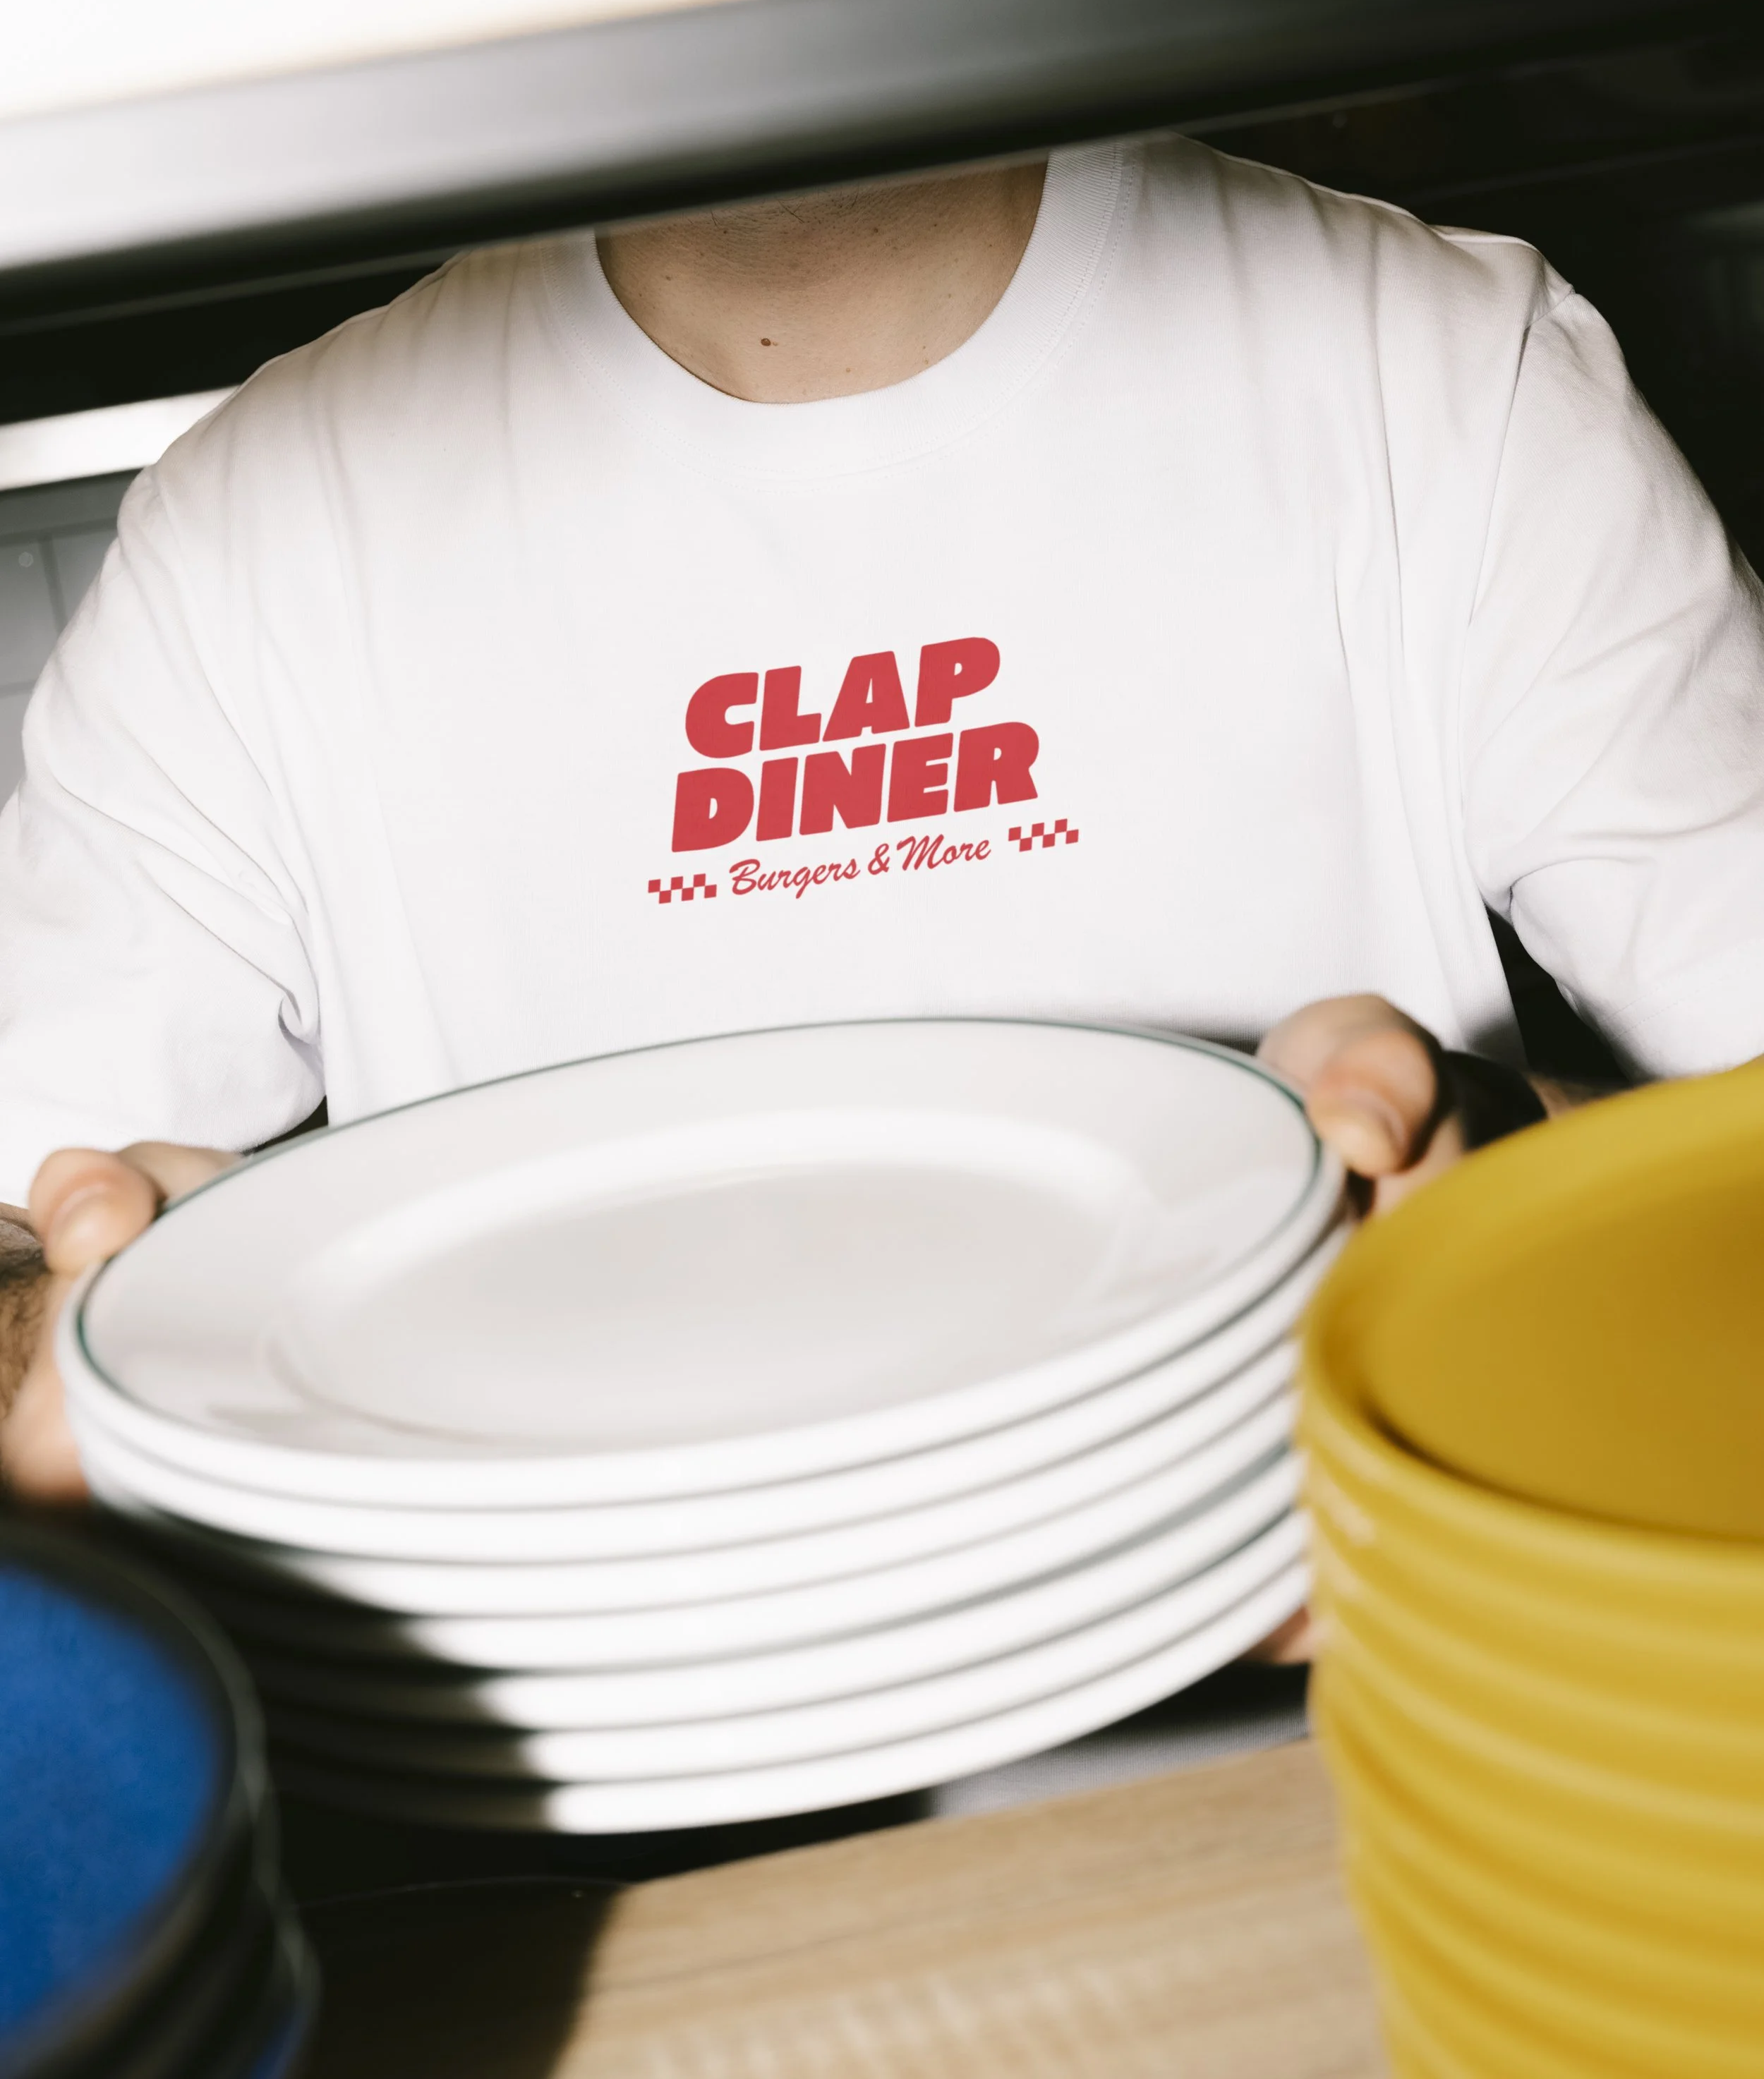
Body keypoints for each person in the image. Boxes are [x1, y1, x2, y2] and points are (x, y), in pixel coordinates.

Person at [5, 134, 1764, 1508]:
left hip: (1355, 1703)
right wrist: (100, 1320)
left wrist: (1509, 1185)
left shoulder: (1444, 373)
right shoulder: (255, 534)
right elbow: (26, 1238)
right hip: (591, 1825)